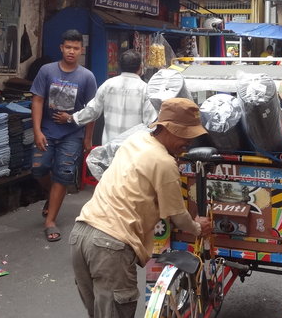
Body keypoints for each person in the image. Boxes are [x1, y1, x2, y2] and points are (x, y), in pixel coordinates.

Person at [70, 98, 213, 318]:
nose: (189, 141)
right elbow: (177, 215)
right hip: (111, 244)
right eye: (186, 134)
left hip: (81, 234)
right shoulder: (164, 163)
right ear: (168, 129)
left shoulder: (136, 140)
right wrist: (197, 227)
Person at [30, 29, 97, 241]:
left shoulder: (87, 76)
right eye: (68, 47)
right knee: (38, 169)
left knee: (63, 173)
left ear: (81, 51)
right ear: (61, 48)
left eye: (75, 48)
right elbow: (37, 100)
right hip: (48, 131)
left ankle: (50, 221)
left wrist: (87, 138)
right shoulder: (46, 71)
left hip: (72, 134)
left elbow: (91, 110)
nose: (71, 51)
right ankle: (52, 199)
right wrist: (37, 130)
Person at [52, 49, 157, 144]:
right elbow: (151, 122)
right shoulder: (146, 89)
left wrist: (71, 118)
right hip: (133, 150)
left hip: (109, 147)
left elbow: (92, 111)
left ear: (119, 66)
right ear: (140, 68)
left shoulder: (108, 85)